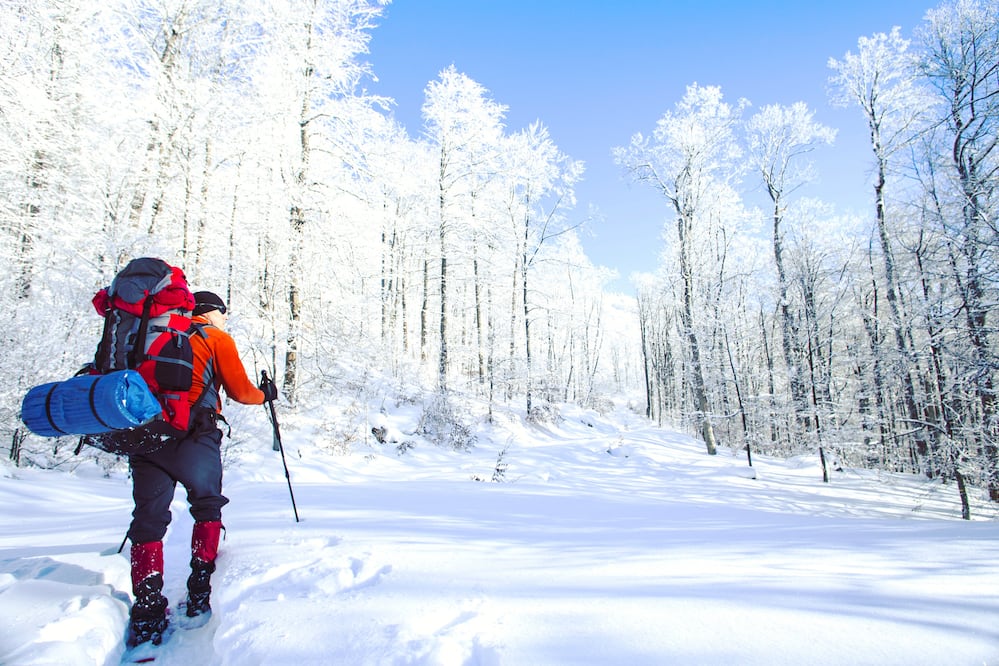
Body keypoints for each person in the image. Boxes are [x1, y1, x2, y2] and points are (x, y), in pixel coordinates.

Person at [126, 290, 278, 647]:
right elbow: (241, 391)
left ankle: (147, 609)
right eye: (224, 313)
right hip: (194, 434)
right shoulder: (215, 337)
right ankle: (199, 589)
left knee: (148, 519)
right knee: (207, 505)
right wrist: (266, 394)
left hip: (145, 436)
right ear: (211, 312)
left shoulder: (151, 333)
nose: (226, 319)